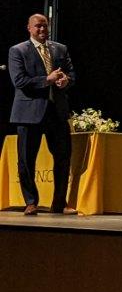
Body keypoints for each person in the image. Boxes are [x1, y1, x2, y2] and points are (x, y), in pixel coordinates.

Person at [7, 14, 77, 215]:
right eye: (38, 26)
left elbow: (72, 74)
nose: (42, 30)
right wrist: (47, 79)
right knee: (27, 160)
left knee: (63, 158)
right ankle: (31, 201)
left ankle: (59, 203)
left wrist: (66, 81)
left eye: (45, 26)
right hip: (29, 113)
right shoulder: (18, 51)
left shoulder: (60, 49)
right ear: (29, 28)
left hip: (57, 112)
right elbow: (20, 81)